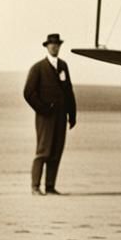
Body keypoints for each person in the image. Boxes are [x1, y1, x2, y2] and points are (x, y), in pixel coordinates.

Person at [23, 33, 77, 195]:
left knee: (56, 151)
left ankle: (50, 186)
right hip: (45, 117)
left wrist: (72, 115)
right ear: (46, 47)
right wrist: (43, 108)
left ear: (60, 46)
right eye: (51, 44)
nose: (54, 47)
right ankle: (35, 187)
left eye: (57, 44)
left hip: (61, 117)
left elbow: (69, 91)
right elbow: (28, 93)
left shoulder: (63, 66)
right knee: (43, 151)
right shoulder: (38, 68)